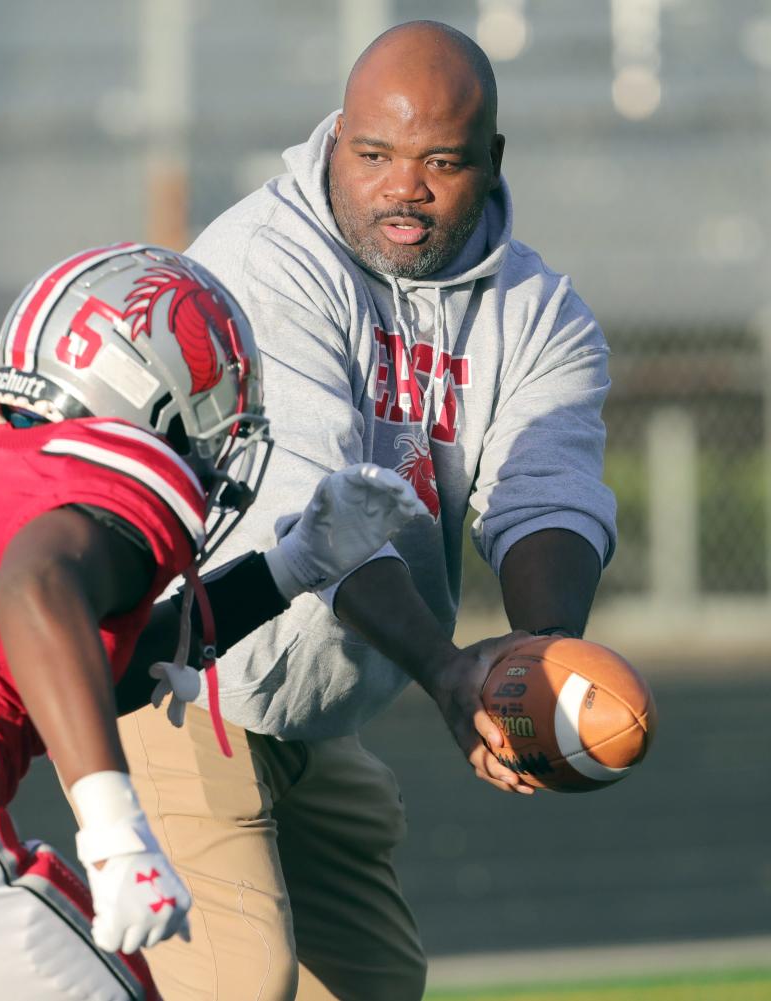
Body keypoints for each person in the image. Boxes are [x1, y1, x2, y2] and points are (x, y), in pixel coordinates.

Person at [116, 20, 618, 1001]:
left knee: (375, 984)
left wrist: (537, 657)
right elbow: (306, 513)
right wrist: (445, 670)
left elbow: (544, 490)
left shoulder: (537, 309)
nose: (404, 189)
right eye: (376, 155)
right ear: (337, 137)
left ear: (492, 160)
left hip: (312, 713)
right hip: (186, 669)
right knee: (235, 978)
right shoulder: (264, 263)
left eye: (440, 161)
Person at [0, 242, 425, 1001]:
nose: (227, 414)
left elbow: (75, 663)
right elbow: (39, 586)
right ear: (147, 379)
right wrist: (115, 833)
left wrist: (293, 565)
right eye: (214, 381)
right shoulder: (109, 465)